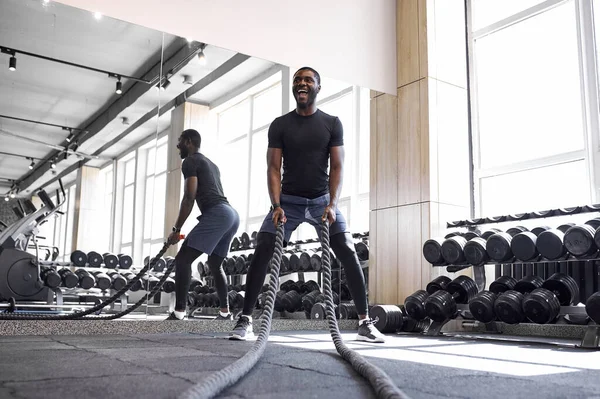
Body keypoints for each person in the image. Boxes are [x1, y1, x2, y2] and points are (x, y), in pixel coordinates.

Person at [229, 67, 385, 343]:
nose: (302, 84)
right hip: (287, 201)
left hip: (321, 200)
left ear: (317, 88)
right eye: (298, 80)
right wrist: (276, 204)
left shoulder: (332, 123)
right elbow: (273, 168)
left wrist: (333, 204)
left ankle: (364, 322)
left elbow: (337, 166)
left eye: (308, 80)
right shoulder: (280, 125)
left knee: (348, 251)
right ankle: (245, 320)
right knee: (263, 248)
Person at [165, 129, 240, 321]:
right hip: (231, 214)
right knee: (215, 264)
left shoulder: (189, 161)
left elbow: (189, 197)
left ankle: (179, 312)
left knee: (182, 259)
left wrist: (177, 229)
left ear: (189, 142)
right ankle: (225, 313)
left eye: (180, 141)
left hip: (218, 213)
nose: (177, 146)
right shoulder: (212, 164)